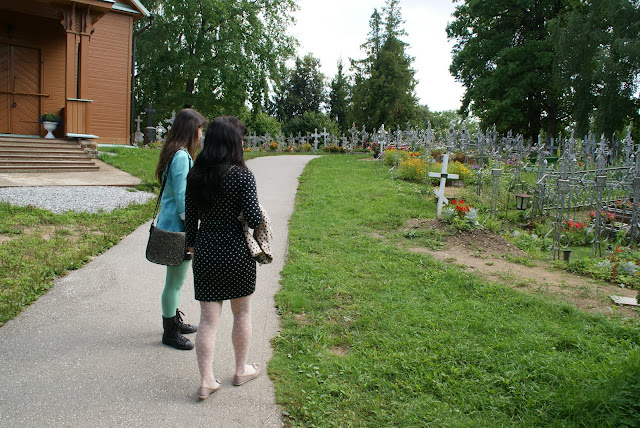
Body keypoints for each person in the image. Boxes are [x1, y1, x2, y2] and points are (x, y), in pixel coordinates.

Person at [185, 116, 262, 400]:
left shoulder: (195, 174)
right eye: (240, 139)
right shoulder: (242, 176)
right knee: (241, 313)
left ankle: (206, 381)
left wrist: (193, 250)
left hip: (205, 250)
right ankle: (241, 369)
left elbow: (190, 221)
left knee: (208, 321)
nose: (243, 143)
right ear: (232, 143)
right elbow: (254, 218)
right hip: (237, 253)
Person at [155, 108, 207, 350]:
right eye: (199, 129)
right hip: (178, 229)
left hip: (173, 226)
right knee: (174, 282)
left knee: (175, 280)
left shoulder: (175, 154)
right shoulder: (181, 157)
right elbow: (182, 198)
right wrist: (192, 229)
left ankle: (172, 318)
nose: (201, 134)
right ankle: (170, 332)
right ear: (190, 130)